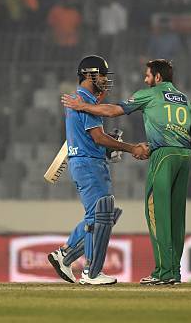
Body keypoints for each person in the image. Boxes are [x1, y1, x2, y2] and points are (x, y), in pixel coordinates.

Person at [62, 59, 191, 285]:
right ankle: (174, 272)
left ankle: (162, 273)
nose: (145, 79)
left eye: (148, 75)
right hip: (185, 155)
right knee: (176, 218)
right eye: (102, 74)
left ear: (158, 78)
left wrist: (83, 107)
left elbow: (114, 111)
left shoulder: (149, 94)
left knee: (156, 214)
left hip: (161, 156)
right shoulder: (185, 99)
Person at [48, 55, 149, 285]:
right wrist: (131, 147)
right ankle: (91, 273)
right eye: (101, 75)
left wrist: (105, 150)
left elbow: (91, 139)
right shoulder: (83, 101)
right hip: (88, 164)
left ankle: (65, 255)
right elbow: (98, 137)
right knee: (101, 215)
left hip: (88, 161)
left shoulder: (81, 99)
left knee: (106, 215)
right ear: (88, 74)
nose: (105, 79)